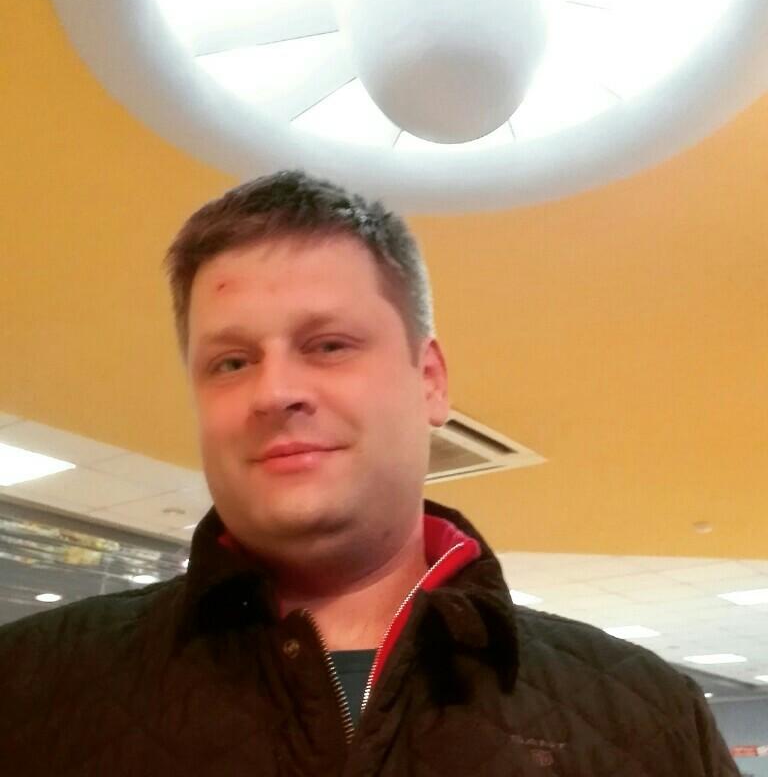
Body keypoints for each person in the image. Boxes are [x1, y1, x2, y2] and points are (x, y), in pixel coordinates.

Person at [0, 170, 737, 776]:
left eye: (328, 345)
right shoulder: (28, 686)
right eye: (231, 362)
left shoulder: (651, 719)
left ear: (430, 380)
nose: (273, 392)